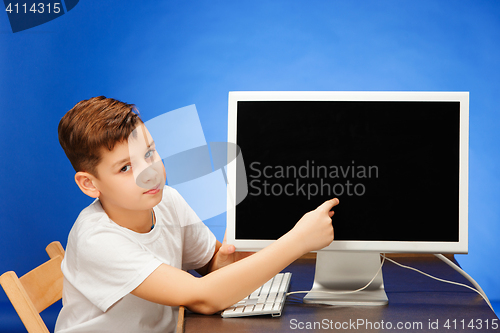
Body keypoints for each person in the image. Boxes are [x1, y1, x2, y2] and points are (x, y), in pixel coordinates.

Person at [55, 96, 339, 333]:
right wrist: (298, 241)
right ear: (89, 183)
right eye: (125, 168)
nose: (150, 172)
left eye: (150, 153)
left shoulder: (166, 202)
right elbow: (204, 298)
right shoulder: (97, 240)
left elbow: (211, 267)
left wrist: (221, 262)